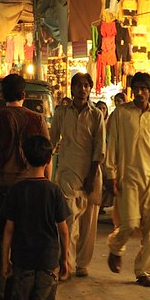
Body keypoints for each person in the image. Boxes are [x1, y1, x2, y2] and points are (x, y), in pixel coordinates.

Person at [1, 134, 71, 300]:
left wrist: (4, 260)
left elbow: (8, 229)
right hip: (47, 262)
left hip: (22, 262)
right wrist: (65, 260)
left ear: (23, 158)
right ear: (49, 159)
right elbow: (63, 229)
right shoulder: (54, 190)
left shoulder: (17, 190)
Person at [0, 73, 50, 300]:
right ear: (24, 95)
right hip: (30, 185)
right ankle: (18, 296)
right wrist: (47, 183)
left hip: (0, 186)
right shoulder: (37, 119)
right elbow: (46, 153)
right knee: (24, 239)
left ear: (2, 95)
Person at [105, 72, 150, 288]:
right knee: (129, 224)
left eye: (144, 89)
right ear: (132, 91)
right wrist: (110, 174)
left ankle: (144, 271)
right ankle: (115, 247)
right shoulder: (121, 114)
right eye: (137, 89)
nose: (140, 93)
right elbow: (111, 145)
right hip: (128, 176)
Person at [50, 72, 105, 278]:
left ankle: (83, 264)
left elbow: (100, 147)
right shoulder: (62, 114)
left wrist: (92, 175)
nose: (82, 89)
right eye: (78, 85)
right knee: (69, 220)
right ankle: (67, 264)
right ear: (72, 89)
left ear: (90, 89)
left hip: (90, 173)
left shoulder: (97, 115)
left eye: (86, 85)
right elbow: (52, 141)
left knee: (89, 223)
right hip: (67, 173)